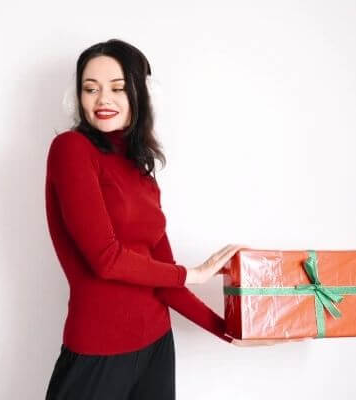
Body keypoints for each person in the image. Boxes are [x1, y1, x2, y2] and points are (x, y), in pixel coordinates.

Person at [44, 39, 290, 400]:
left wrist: (227, 332)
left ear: (141, 94)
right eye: (90, 88)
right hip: (99, 348)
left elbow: (162, 275)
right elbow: (106, 259)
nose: (102, 100)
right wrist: (195, 273)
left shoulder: (140, 167)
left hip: (157, 344)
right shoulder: (71, 150)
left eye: (118, 88)